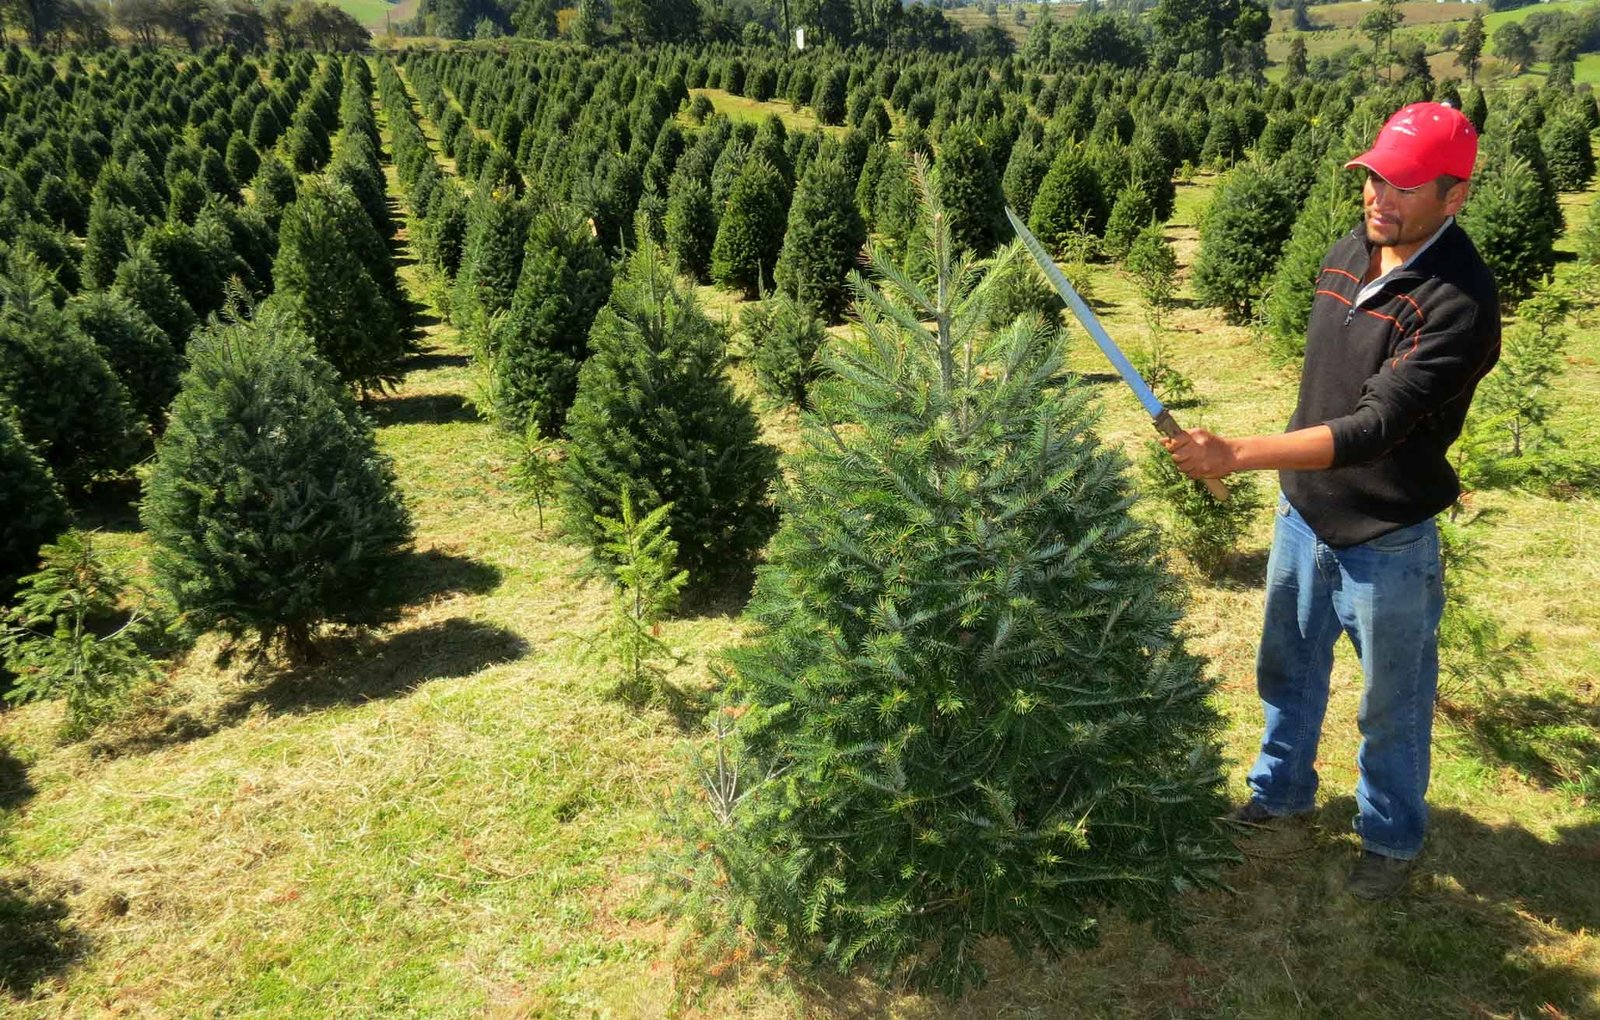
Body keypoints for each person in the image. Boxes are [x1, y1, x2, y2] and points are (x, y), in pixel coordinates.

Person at [1161, 102, 1502, 900]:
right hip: (1300, 516)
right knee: (1287, 670)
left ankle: (1389, 840)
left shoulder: (1459, 302)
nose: (1379, 196)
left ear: (1454, 198)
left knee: (1393, 702)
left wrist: (1236, 454)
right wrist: (1277, 473)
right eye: (1376, 175)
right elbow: (1326, 385)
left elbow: (1373, 425)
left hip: (1385, 534)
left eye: (1407, 185)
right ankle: (1280, 793)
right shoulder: (1355, 249)